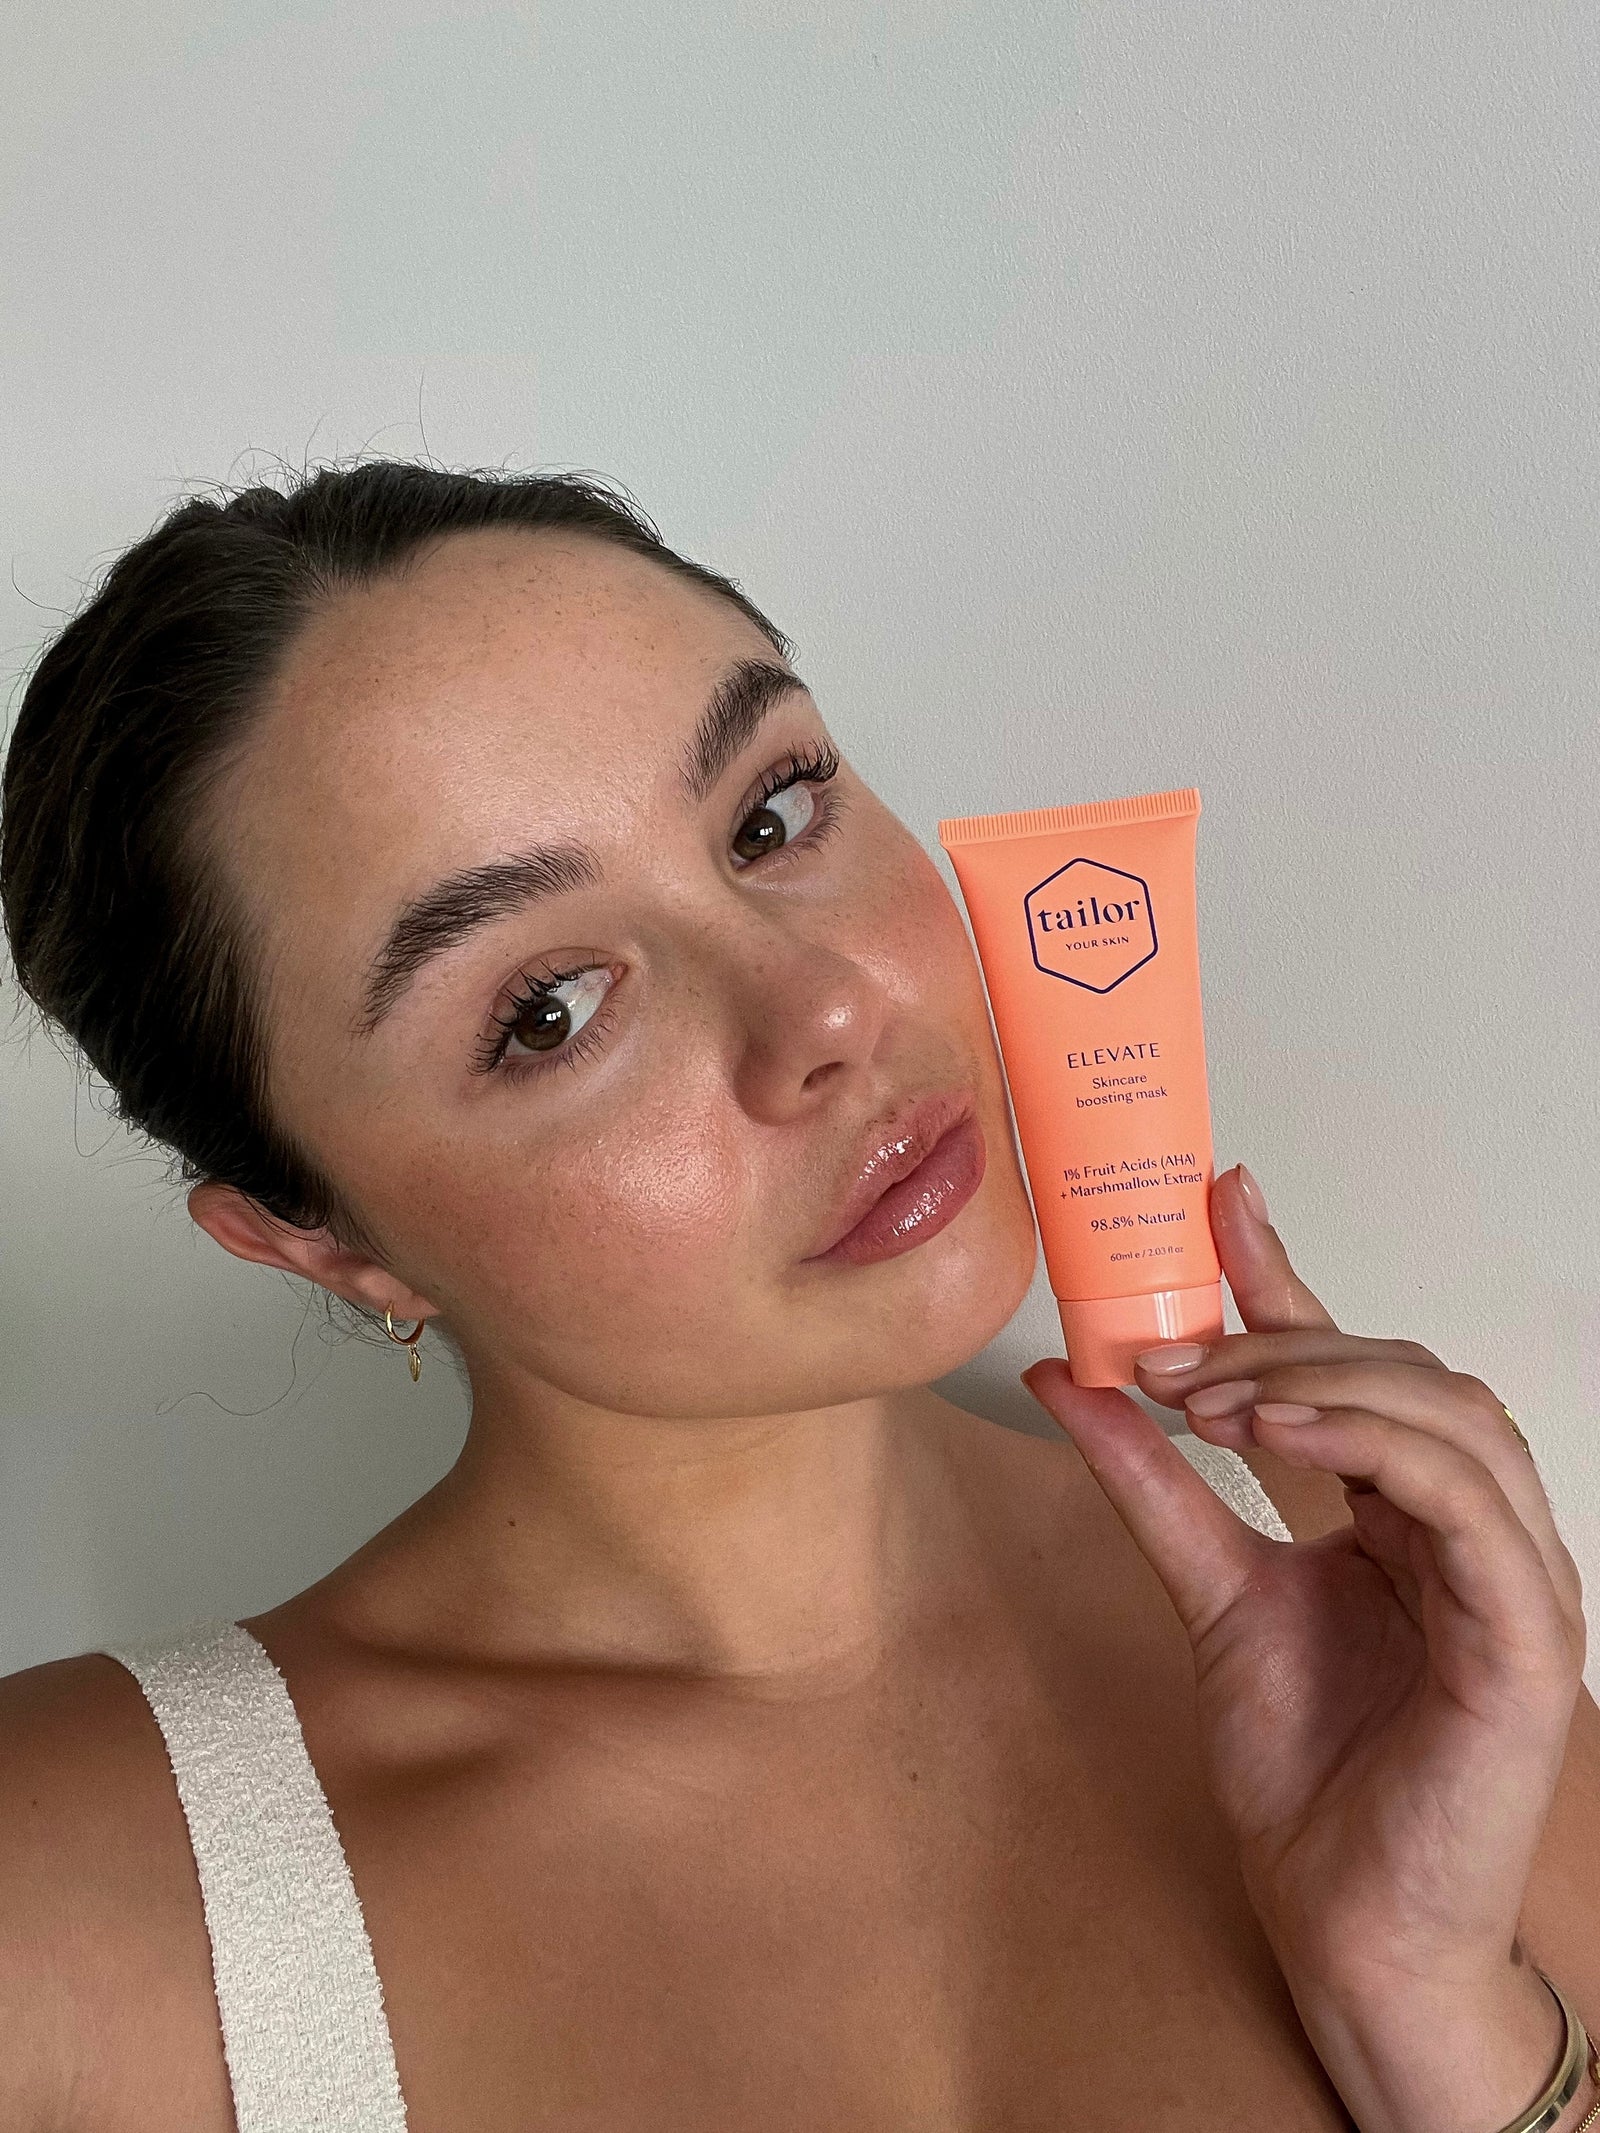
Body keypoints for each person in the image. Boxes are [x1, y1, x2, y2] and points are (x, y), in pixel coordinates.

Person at [0, 461, 1595, 2133]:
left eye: (770, 816)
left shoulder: (1351, 1584)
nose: (824, 1004)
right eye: (549, 1010)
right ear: (321, 1239)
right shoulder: (67, 1904)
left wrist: (1429, 1999)